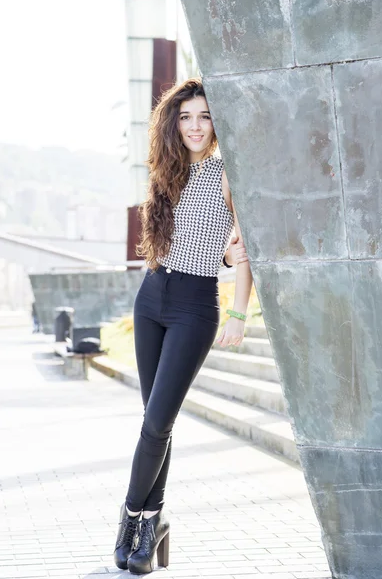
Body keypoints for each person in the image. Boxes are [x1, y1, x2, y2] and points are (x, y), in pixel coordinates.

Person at [113, 77, 253, 574]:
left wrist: (237, 313)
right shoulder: (165, 172)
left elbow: (245, 250)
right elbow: (184, 238)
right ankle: (154, 518)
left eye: (205, 116)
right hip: (151, 298)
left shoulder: (228, 174)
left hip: (195, 307)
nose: (195, 125)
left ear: (217, 124)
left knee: (156, 424)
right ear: (174, 122)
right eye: (186, 116)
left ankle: (131, 518)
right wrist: (220, 249)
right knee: (156, 422)